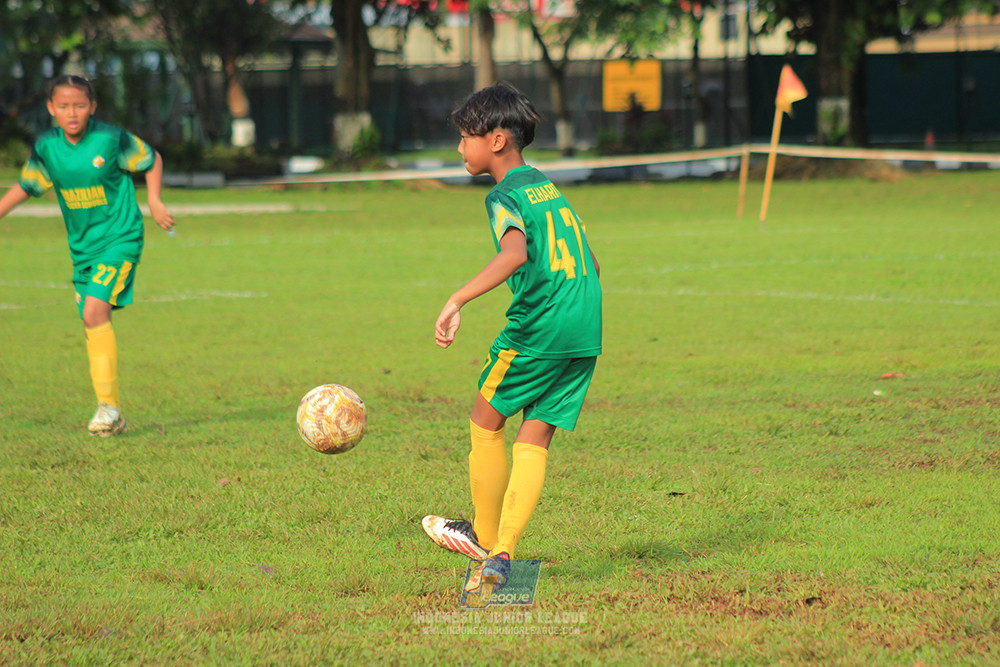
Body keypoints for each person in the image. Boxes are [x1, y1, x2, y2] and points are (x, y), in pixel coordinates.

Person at [422, 82, 602, 594]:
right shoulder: (546, 185)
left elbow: (515, 254)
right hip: (586, 324)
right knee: (534, 438)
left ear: (496, 140)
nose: (460, 149)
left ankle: (481, 535)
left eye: (465, 137)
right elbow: (587, 253)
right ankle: (504, 556)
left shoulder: (504, 194)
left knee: (485, 422)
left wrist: (456, 298)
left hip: (541, 325)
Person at [0, 75, 175, 435]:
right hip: (82, 250)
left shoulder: (111, 140)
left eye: (79, 105)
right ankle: (113, 413)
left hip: (120, 238)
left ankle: (107, 411)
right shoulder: (48, 147)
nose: (72, 112)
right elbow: (28, 184)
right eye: (63, 106)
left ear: (92, 107)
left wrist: (154, 200)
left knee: (96, 309)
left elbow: (151, 159)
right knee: (91, 321)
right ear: (51, 109)